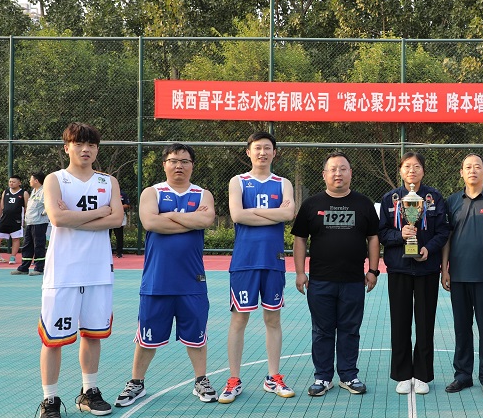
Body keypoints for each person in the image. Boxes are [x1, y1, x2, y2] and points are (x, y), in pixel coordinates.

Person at [114, 143, 217, 408]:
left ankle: (201, 380)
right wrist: (189, 219)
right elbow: (150, 222)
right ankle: (136, 382)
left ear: (192, 165)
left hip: (192, 279)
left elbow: (206, 221)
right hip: (157, 279)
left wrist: (167, 216)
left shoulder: (202, 194)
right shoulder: (152, 192)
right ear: (164, 164)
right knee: (146, 337)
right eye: (173, 161)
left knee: (196, 336)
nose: (179, 165)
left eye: (185, 161)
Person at [37, 122, 124, 418]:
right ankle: (50, 399)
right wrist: (100, 212)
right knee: (54, 339)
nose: (85, 149)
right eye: (79, 144)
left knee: (93, 334)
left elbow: (117, 219)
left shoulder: (108, 182)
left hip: (98, 271)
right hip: (63, 272)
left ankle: (89, 392)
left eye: (91, 145)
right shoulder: (55, 180)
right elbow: (58, 219)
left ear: (97, 149)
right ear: (67, 147)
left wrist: (76, 217)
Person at [292, 151, 380, 397]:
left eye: (343, 168)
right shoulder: (311, 205)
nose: (338, 173)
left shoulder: (363, 203)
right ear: (324, 174)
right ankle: (322, 377)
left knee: (350, 329)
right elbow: (300, 239)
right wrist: (300, 272)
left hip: (353, 280)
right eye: (333, 169)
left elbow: (373, 238)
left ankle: (349, 375)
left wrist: (373, 270)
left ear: (350, 173)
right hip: (320, 281)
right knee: (322, 330)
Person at [218, 131, 296, 404]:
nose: (262, 152)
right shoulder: (238, 181)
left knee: (272, 319)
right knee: (239, 319)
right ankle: (234, 379)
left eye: (267, 148)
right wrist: (274, 214)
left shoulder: (283, 183)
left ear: (275, 153)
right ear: (248, 152)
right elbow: (237, 215)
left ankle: (273, 377)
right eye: (257, 148)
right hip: (245, 261)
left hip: (273, 260)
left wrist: (254, 213)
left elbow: (289, 214)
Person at [378, 152, 450, 395]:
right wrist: (401, 235)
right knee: (399, 322)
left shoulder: (434, 198)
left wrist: (428, 249)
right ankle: (402, 375)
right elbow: (382, 233)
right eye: (407, 166)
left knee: (425, 322)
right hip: (398, 268)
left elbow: (443, 231)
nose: (412, 170)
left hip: (427, 269)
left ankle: (422, 375)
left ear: (423, 171)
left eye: (417, 166)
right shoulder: (390, 198)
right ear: (401, 170)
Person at [441, 153, 483, 399]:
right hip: (458, 276)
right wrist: (444, 268)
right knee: (461, 328)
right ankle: (463, 375)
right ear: (461, 172)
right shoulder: (452, 201)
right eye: (468, 167)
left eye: (477, 166)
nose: (472, 170)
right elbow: (447, 237)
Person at [13, 172, 49, 276]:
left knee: (38, 245)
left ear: (36, 181)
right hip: (30, 222)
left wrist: (42, 214)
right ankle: (24, 268)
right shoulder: (34, 191)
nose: (29, 181)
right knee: (27, 245)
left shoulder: (44, 191)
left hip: (39, 223)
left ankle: (39, 268)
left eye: (31, 179)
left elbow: (48, 205)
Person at [0, 174, 29, 265]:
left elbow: (27, 207)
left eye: (13, 182)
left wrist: (24, 218)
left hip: (16, 220)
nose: (11, 183)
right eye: (10, 181)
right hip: (5, 219)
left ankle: (13, 257)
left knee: (15, 238)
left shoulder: (24, 193)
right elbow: (2, 205)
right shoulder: (5, 192)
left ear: (19, 183)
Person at [110, 190, 130, 258]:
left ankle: (119, 252)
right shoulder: (107, 192)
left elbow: (127, 205)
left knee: (119, 235)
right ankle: (107, 251)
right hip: (108, 216)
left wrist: (117, 207)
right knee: (107, 235)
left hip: (119, 216)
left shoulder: (122, 194)